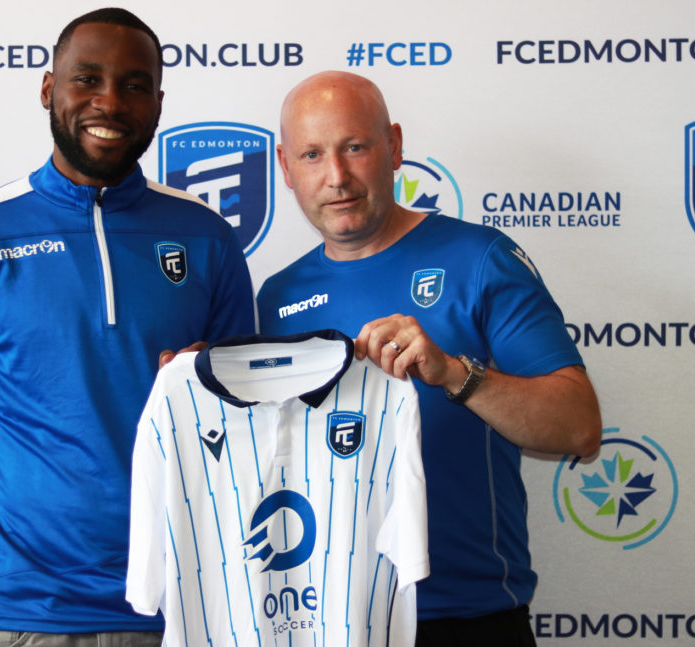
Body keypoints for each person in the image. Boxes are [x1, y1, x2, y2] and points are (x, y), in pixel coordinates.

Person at [0, 8, 255, 647]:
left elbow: (251, 450)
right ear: (47, 89)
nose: (110, 102)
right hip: (23, 619)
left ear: (159, 102)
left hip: (180, 617)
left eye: (135, 84)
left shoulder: (207, 239)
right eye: (87, 79)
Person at [256, 71, 601, 646]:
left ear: (393, 146)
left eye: (355, 147)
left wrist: (456, 374)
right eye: (312, 155)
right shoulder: (277, 297)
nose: (336, 177)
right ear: (286, 169)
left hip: (466, 618)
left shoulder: (480, 259)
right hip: (326, 617)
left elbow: (579, 429)